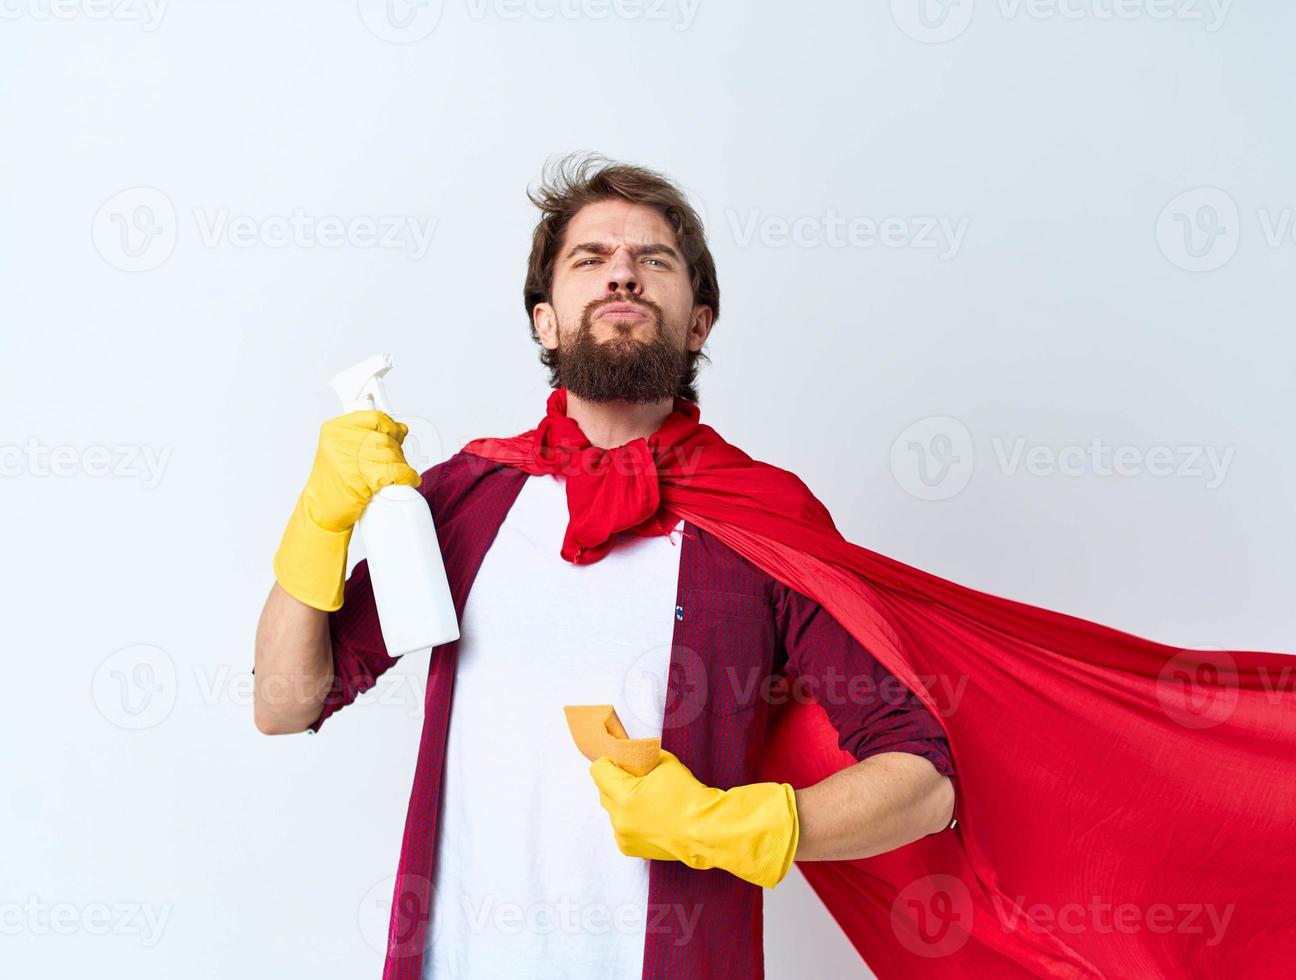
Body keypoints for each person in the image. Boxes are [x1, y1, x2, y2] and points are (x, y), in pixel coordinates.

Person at [253, 153, 957, 979]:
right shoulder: (464, 499)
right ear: (546, 320)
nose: (622, 275)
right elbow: (284, 704)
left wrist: (736, 825)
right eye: (590, 259)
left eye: (653, 260)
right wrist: (316, 526)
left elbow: (925, 779)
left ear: (699, 321)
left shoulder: (764, 517)